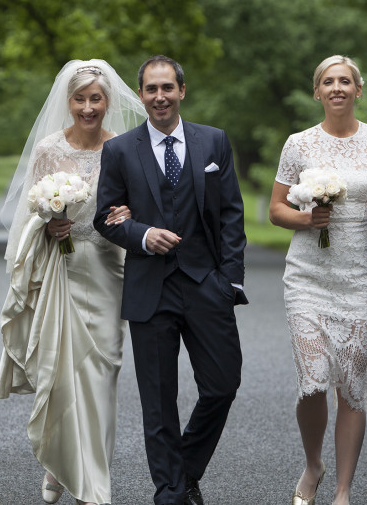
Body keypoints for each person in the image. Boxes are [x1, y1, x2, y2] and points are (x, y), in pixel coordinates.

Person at [93, 55, 247, 505]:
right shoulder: (120, 150)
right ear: (141, 95)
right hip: (150, 288)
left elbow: (232, 214)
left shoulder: (213, 142)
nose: (159, 96)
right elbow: (106, 217)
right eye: (150, 89)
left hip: (206, 284)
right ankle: (171, 492)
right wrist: (141, 235)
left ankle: (183, 470)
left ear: (182, 90)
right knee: (158, 403)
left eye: (167, 88)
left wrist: (230, 280)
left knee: (223, 385)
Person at [0, 59, 146, 505]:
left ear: (108, 102)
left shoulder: (123, 148)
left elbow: (135, 207)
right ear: (69, 101)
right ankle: (57, 465)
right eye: (79, 99)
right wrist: (48, 226)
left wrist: (128, 217)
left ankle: (94, 480)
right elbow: (26, 218)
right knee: (59, 371)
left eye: (95, 98)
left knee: (103, 372)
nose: (87, 107)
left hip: (106, 269)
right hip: (58, 269)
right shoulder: (47, 150)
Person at [268, 56, 367, 505]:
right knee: (312, 380)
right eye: (328, 82)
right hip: (307, 277)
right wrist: (307, 219)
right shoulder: (298, 144)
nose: (337, 88)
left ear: (358, 89)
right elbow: (275, 210)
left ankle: (343, 491)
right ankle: (314, 464)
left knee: (352, 383)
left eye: (345, 81)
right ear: (317, 92)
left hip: (361, 276)